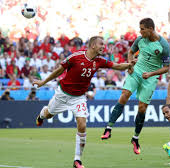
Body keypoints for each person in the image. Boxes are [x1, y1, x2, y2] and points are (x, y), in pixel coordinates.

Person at [32, 36, 134, 168]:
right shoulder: (75, 57)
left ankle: (77, 160)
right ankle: (41, 115)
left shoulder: (99, 61)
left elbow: (118, 66)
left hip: (79, 98)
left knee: (82, 125)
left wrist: (131, 64)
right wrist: (43, 82)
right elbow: (59, 71)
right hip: (62, 95)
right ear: (92, 45)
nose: (104, 47)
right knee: (49, 114)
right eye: (101, 44)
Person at [101, 18, 170, 155]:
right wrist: (130, 64)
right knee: (124, 95)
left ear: (150, 29)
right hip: (136, 71)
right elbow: (131, 53)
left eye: (142, 29)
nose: (140, 31)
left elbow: (166, 68)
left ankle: (135, 138)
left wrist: (151, 74)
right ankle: (108, 128)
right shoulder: (140, 40)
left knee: (142, 108)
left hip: (150, 78)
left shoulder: (163, 45)